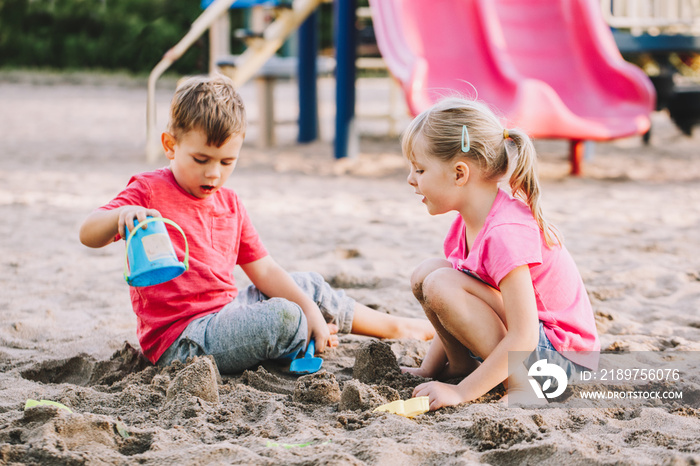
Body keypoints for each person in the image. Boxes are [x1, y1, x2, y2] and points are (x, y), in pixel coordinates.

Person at [79, 74, 433, 374]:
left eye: (226, 161)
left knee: (306, 286)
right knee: (284, 317)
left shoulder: (230, 203)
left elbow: (264, 270)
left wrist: (310, 307)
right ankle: (306, 334)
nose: (213, 173)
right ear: (170, 146)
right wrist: (120, 217)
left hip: (228, 311)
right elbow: (88, 233)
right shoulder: (148, 191)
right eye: (200, 159)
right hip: (183, 338)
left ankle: (395, 327)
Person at [400, 97, 599, 409]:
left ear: (459, 174)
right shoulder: (465, 226)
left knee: (441, 281)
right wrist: (429, 369)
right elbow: (459, 303)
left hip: (561, 363)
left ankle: (523, 388)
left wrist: (461, 393)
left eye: (420, 169)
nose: (411, 179)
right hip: (529, 347)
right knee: (427, 274)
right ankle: (460, 364)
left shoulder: (505, 232)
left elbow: (524, 334)